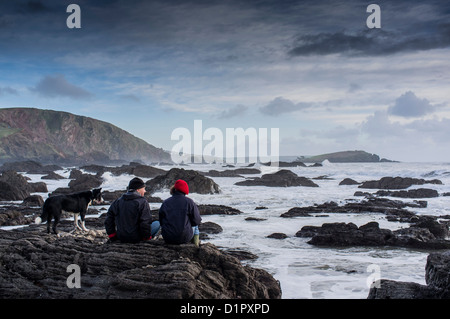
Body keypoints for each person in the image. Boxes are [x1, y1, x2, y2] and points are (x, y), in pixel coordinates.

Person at [105, 177, 160, 243]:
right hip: (136, 237)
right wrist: (146, 238)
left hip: (121, 237)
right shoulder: (142, 202)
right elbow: (145, 222)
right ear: (138, 189)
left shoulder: (117, 201)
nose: (145, 191)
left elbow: (108, 220)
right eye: (144, 188)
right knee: (157, 223)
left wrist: (112, 236)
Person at [159, 179, 202, 246]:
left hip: (168, 238)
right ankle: (196, 244)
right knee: (196, 226)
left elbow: (161, 221)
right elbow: (197, 221)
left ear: (174, 189)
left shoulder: (166, 202)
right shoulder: (189, 202)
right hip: (184, 238)